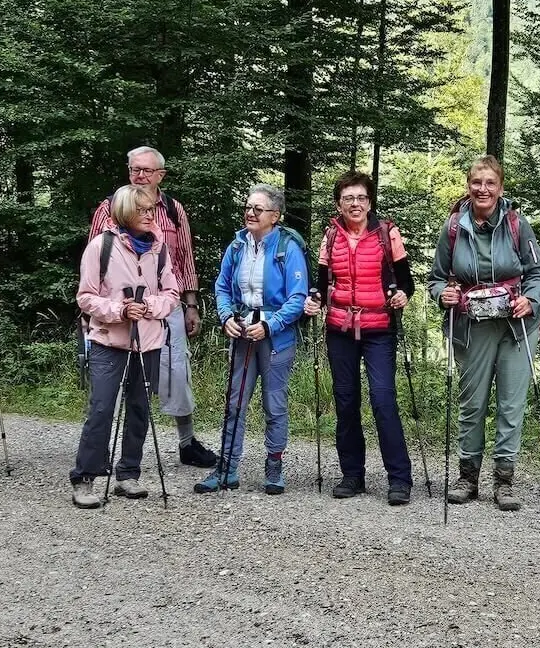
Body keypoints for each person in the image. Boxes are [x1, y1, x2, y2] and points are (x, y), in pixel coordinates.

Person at [427, 156, 540, 511]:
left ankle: (504, 480)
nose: (483, 189)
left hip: (516, 326)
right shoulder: (452, 228)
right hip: (471, 327)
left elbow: (539, 273)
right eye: (476, 182)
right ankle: (468, 477)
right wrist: (442, 294)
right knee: (472, 402)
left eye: (490, 183)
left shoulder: (516, 225)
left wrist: (531, 300)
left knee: (511, 404)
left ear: (500, 187)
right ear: (468, 185)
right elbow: (436, 277)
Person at [88, 146, 216, 468]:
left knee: (176, 373)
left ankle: (187, 443)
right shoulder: (109, 208)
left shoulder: (173, 210)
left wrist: (191, 304)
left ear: (161, 175)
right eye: (134, 170)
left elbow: (185, 257)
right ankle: (101, 452)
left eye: (146, 170)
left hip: (165, 306)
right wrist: (95, 311)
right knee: (114, 381)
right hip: (119, 310)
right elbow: (94, 267)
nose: (140, 176)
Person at [303, 171, 415, 506]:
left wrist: (402, 297)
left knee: (383, 400)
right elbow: (321, 285)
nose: (355, 204)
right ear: (339, 203)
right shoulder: (331, 236)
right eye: (348, 198)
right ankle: (352, 475)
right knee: (346, 400)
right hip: (340, 329)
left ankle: (399, 479)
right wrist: (314, 301)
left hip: (379, 327)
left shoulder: (386, 233)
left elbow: (407, 283)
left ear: (370, 202)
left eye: (361, 198)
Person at [71, 184, 180, 508]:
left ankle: (128, 474)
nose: (150, 215)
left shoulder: (159, 249)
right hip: (109, 339)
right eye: (142, 210)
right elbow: (86, 297)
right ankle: (84, 478)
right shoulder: (100, 247)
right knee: (102, 407)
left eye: (151, 210)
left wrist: (150, 307)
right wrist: (120, 310)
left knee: (139, 408)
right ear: (125, 212)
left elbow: (171, 294)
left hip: (148, 341)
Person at [197, 184, 308, 495]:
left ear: (274, 215)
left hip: (276, 336)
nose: (250, 213)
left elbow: (297, 298)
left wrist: (270, 325)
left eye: (258, 209)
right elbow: (221, 287)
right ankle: (227, 468)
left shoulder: (288, 248)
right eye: (248, 207)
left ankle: (274, 467)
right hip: (242, 330)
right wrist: (226, 317)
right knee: (235, 401)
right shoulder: (237, 246)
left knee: (274, 403)